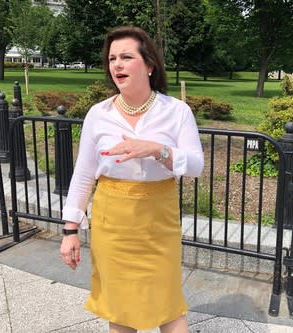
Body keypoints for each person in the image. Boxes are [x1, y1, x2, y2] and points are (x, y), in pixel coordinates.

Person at [59, 26, 204, 333]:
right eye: (112, 58)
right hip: (113, 222)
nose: (117, 65)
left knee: (169, 305)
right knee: (121, 310)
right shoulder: (98, 115)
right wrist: (70, 230)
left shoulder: (176, 111)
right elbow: (84, 174)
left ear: (149, 65)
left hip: (158, 221)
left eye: (126, 56)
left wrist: (156, 150)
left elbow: (195, 165)